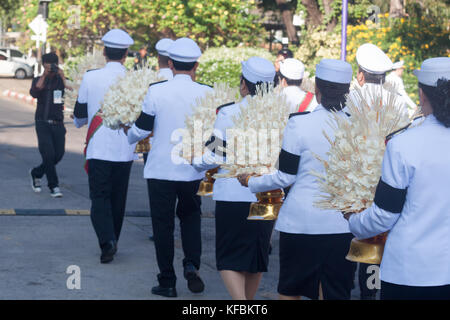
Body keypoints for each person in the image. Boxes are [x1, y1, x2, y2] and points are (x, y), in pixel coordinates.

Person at [237, 59, 357, 300]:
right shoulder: (359, 126)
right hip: (343, 224)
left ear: (317, 90)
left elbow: (285, 176)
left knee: (290, 290)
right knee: (336, 292)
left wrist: (251, 182)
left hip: (301, 223)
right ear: (347, 92)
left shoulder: (299, 123)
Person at [344, 57, 450, 300]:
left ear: (422, 95)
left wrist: (354, 222)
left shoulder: (404, 144)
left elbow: (384, 215)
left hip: (411, 271)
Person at [125, 38, 213, 298]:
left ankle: (167, 281)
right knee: (191, 217)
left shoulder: (156, 91)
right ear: (196, 65)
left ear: (171, 64)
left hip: (161, 170)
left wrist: (127, 133)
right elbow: (212, 135)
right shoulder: (208, 92)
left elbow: (141, 129)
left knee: (162, 225)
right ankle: (191, 264)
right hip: (192, 170)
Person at [192, 56, 277, 300]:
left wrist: (194, 161)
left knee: (228, 257)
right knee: (257, 257)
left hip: (233, 195)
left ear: (243, 85)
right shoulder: (280, 115)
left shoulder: (228, 113)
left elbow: (214, 155)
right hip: (267, 196)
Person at [72, 29, 137, 264]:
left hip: (98, 147)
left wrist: (81, 120)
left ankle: (106, 241)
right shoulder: (134, 78)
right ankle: (114, 240)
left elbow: (79, 114)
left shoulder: (91, 77)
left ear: (104, 51)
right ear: (126, 54)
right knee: (118, 198)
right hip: (125, 150)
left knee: (99, 197)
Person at [349, 42, 397, 299]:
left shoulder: (351, 101)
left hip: (350, 186)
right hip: (386, 185)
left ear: (360, 75)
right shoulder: (398, 103)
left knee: (351, 248)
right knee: (374, 251)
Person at [145, 38, 174, 241]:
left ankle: (160, 232)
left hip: (155, 148)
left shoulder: (150, 81)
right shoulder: (192, 85)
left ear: (158, 58)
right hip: (183, 150)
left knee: (159, 198)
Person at [29, 52, 71, 198]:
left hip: (58, 123)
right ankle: (54, 186)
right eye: (49, 66)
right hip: (42, 123)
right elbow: (34, 92)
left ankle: (37, 173)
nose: (52, 69)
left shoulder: (61, 80)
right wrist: (45, 75)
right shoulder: (38, 80)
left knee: (58, 155)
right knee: (48, 154)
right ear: (44, 65)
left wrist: (63, 76)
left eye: (54, 65)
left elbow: (72, 91)